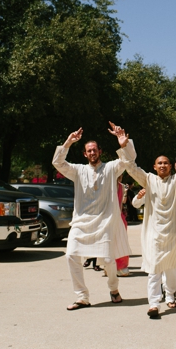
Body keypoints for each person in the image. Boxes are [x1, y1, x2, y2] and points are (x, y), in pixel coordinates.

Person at [118, 124, 176, 320]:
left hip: (173, 233)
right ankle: (153, 303)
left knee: (171, 269)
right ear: (154, 167)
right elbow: (131, 167)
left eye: (166, 163)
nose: (162, 165)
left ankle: (170, 295)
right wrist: (125, 146)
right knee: (154, 269)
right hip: (153, 234)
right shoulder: (148, 180)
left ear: (170, 167)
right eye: (159, 163)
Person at [52, 122, 131, 311]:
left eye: (95, 150)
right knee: (71, 255)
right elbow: (58, 163)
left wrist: (123, 144)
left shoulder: (111, 168)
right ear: (85, 154)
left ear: (100, 152)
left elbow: (128, 161)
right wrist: (68, 143)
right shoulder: (78, 171)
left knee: (109, 260)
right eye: (89, 151)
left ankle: (113, 289)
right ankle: (82, 296)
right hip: (81, 222)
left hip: (105, 222)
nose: (92, 153)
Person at [115, 174, 130, 277]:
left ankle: (121, 266)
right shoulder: (107, 185)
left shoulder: (122, 186)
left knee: (121, 241)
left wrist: (125, 192)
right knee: (111, 242)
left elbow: (124, 201)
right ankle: (111, 266)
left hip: (119, 216)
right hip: (110, 216)